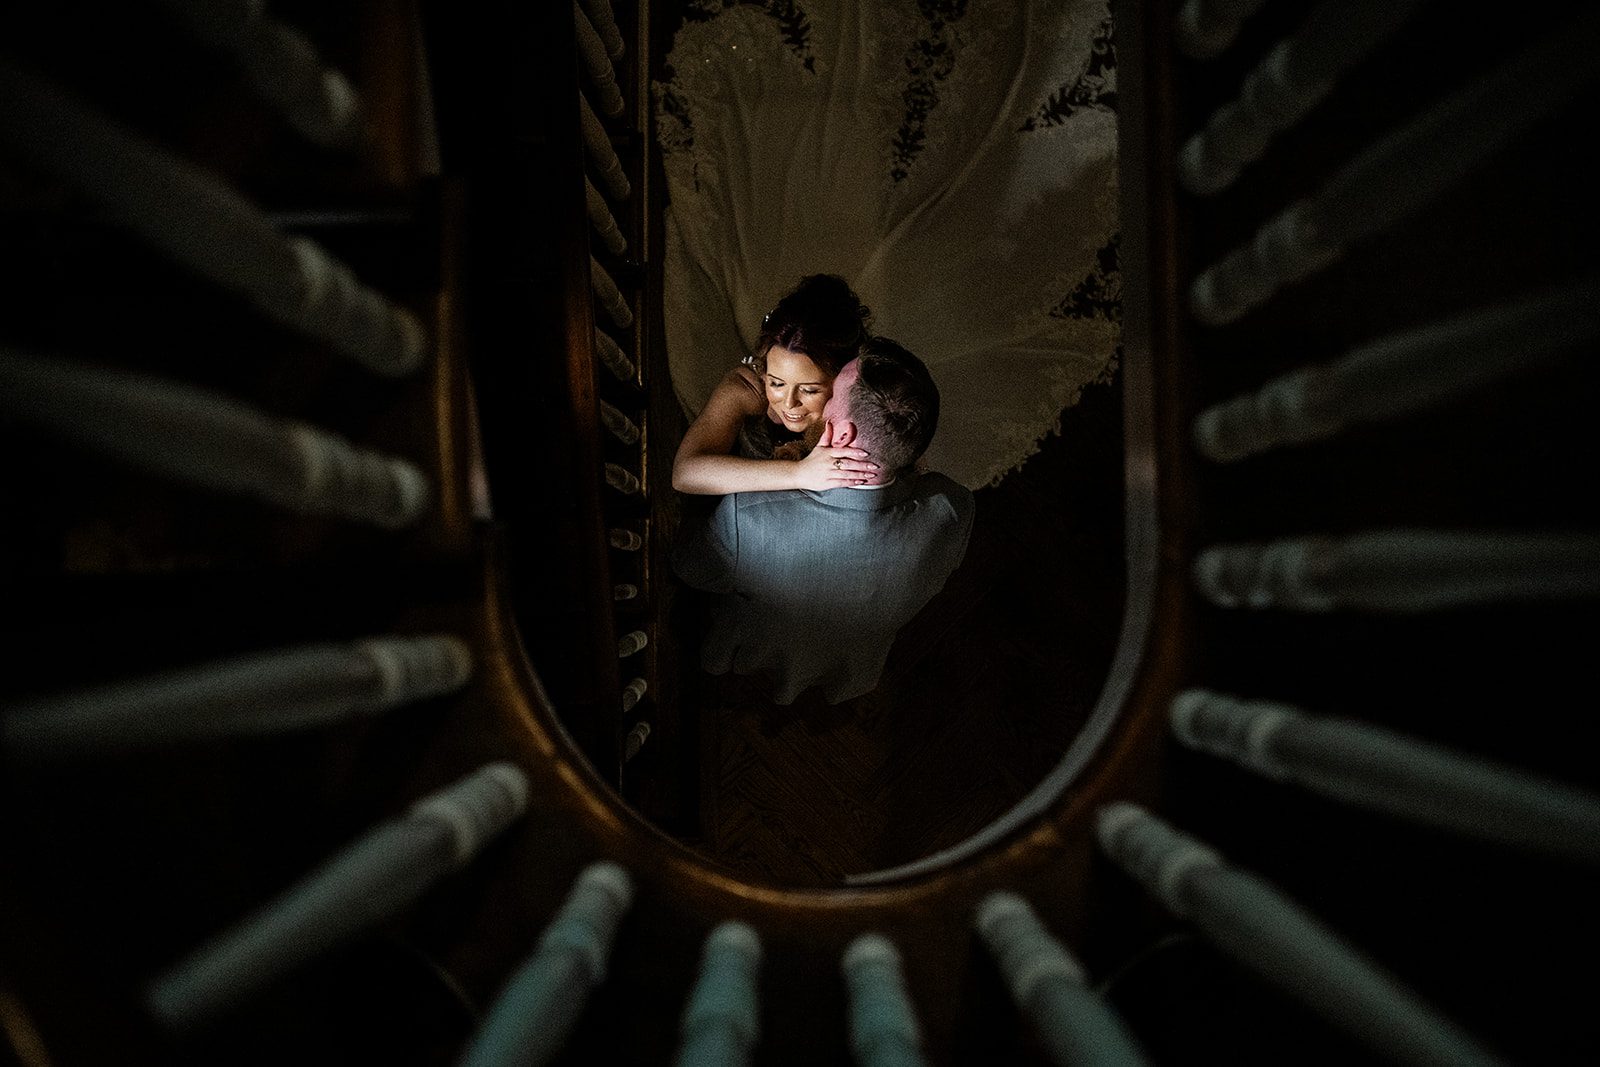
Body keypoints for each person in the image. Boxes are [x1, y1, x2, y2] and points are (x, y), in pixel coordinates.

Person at [673, 337, 975, 705]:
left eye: (830, 394)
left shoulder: (747, 519)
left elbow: (688, 568)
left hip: (757, 650)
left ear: (843, 434)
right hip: (855, 658)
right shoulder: (954, 508)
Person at [671, 274, 881, 495]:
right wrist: (800, 473)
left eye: (809, 389)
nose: (789, 403)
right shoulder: (747, 390)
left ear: (845, 376)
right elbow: (685, 474)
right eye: (777, 383)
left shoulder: (862, 400)